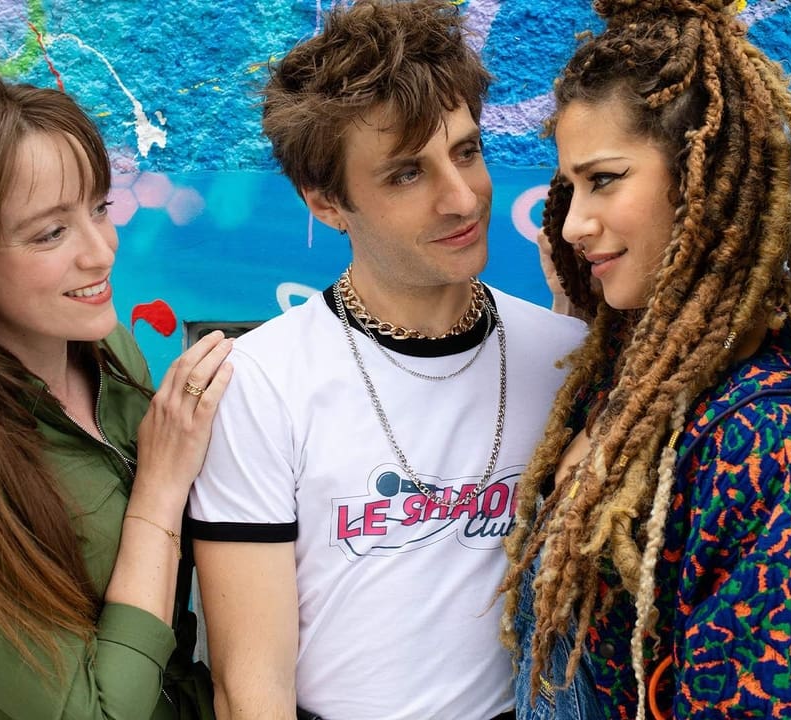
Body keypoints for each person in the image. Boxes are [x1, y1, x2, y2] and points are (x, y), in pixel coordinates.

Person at [184, 1, 586, 718]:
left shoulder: (562, 358)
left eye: (466, 152)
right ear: (326, 203)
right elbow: (251, 685)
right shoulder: (263, 382)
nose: (460, 198)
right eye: (406, 174)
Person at [499, 1, 791, 718]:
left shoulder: (771, 450)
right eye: (570, 186)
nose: (573, 223)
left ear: (701, 181)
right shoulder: (635, 374)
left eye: (604, 179)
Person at [0, 65, 232, 719]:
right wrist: (159, 486)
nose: (101, 252)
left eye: (99, 208)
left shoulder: (107, 350)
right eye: (50, 233)